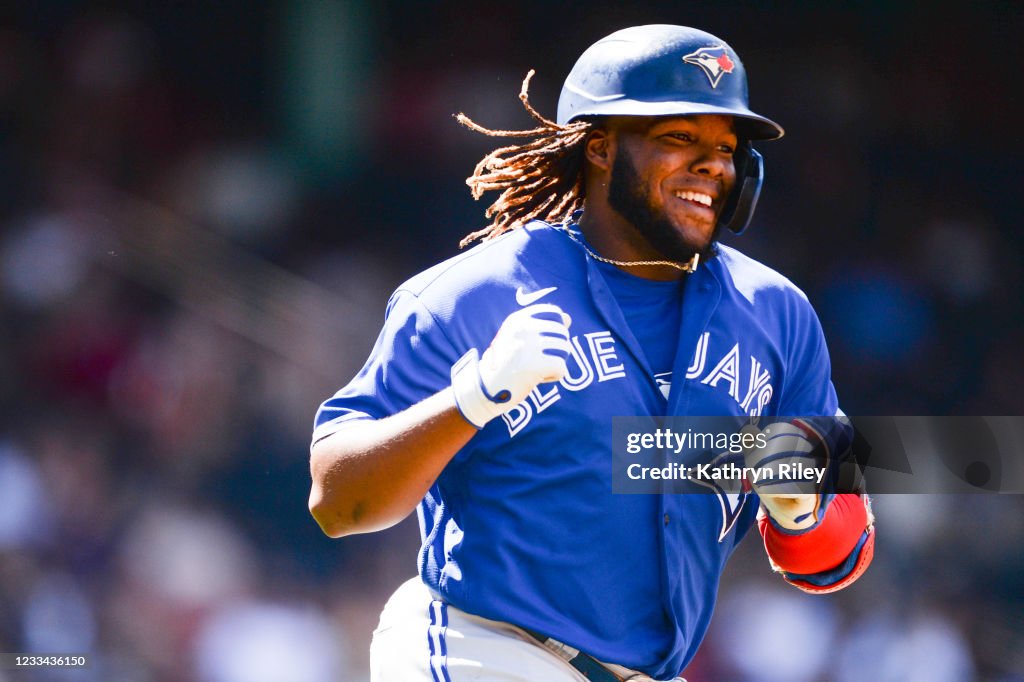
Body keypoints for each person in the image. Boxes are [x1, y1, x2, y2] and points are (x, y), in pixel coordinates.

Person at [309, 25, 875, 682]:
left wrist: (802, 510)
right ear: (600, 147)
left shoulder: (779, 316)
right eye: (679, 138)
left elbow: (839, 553)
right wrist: (470, 399)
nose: (713, 166)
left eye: (726, 147)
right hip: (484, 650)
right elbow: (337, 500)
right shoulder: (476, 293)